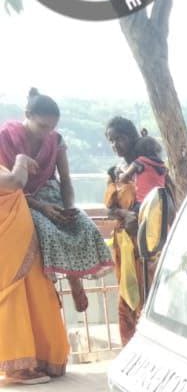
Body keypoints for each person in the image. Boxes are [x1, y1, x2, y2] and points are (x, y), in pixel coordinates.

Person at [0, 89, 111, 312]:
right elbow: (9, 184)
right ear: (27, 115)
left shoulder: (56, 140)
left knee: (84, 225)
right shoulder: (6, 137)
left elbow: (66, 180)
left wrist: (69, 208)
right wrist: (42, 208)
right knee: (45, 230)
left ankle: (75, 277)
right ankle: (51, 284)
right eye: (42, 126)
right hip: (20, 200)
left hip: (51, 193)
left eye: (52, 127)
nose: (47, 133)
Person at [0, 151, 70, 384]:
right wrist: (21, 159)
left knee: (36, 294)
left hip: (21, 243)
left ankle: (40, 358)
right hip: (7, 246)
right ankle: (19, 367)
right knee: (14, 297)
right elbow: (15, 183)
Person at [104, 117, 169, 344]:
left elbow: (166, 202)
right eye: (111, 141)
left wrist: (144, 218)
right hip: (125, 243)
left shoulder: (151, 166)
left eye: (119, 139)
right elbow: (110, 209)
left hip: (152, 243)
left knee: (152, 295)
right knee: (128, 296)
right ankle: (130, 349)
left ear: (132, 137)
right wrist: (126, 215)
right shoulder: (115, 173)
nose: (115, 145)